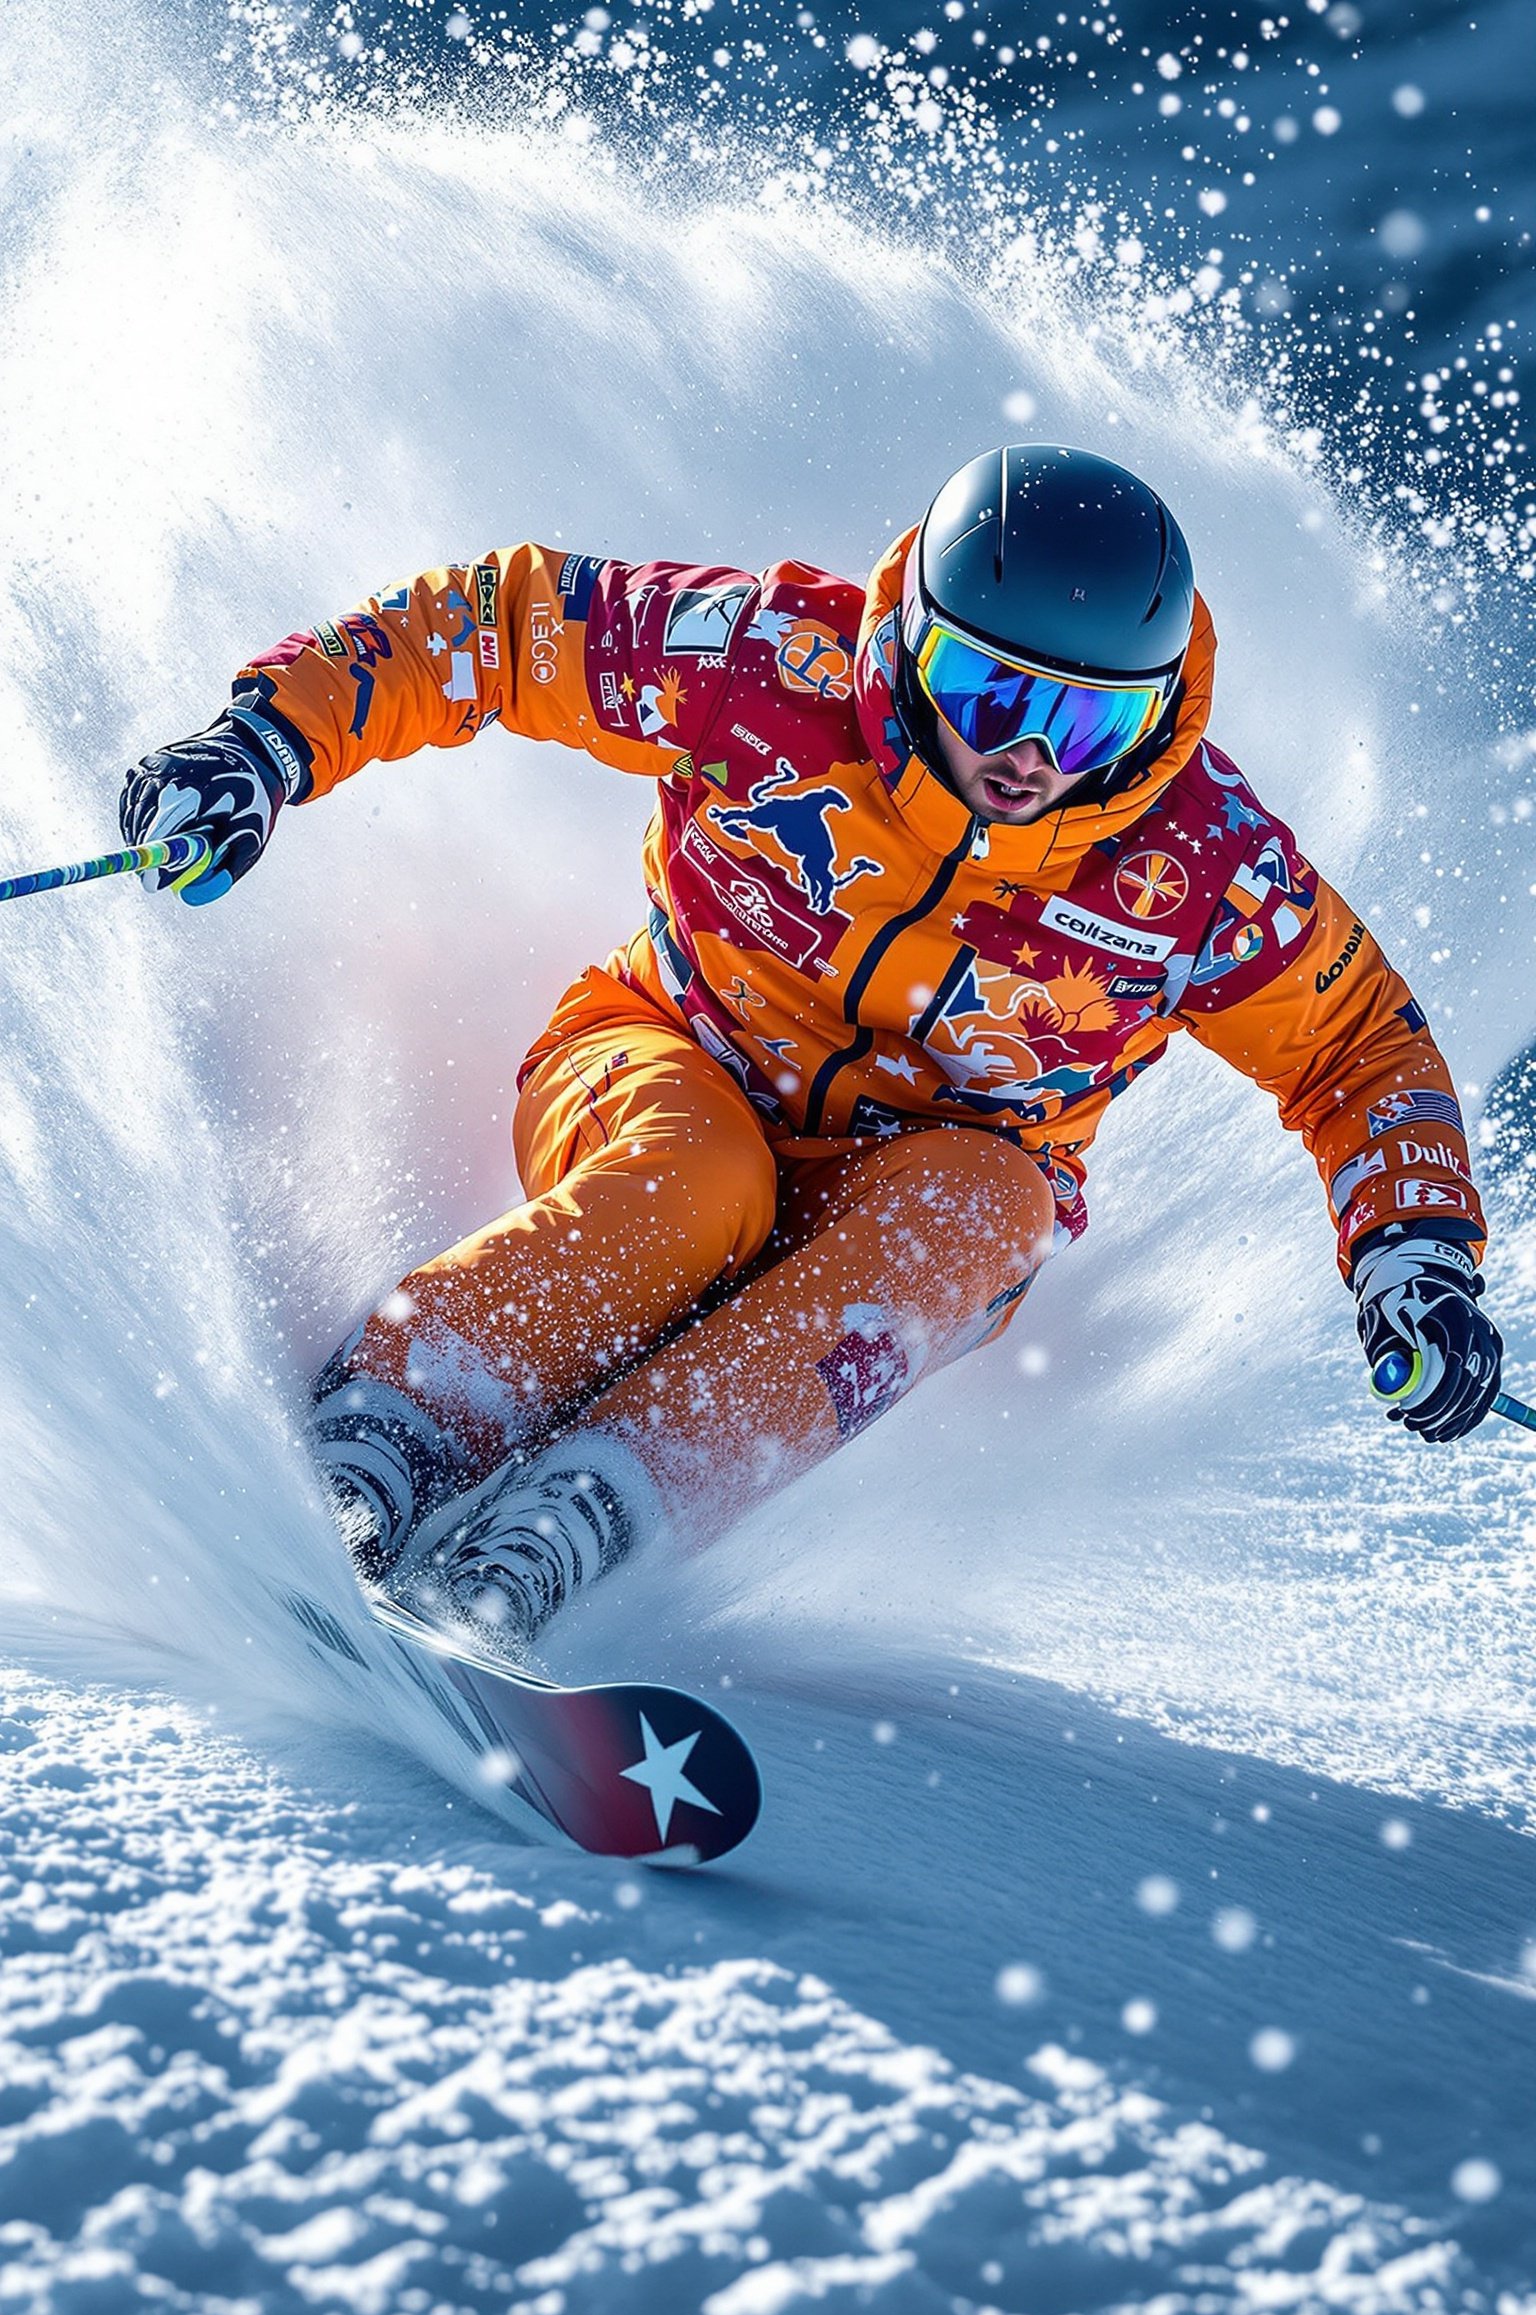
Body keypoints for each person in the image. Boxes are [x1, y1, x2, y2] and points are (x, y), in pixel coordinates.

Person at [121, 444, 1504, 1651]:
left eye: (1087, 721)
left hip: (938, 1171)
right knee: (693, 1184)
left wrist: (1415, 1254)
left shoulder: (1201, 868)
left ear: (1161, 711)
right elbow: (502, 623)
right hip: (673, 1048)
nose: (1024, 753)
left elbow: (1359, 1050)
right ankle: (390, 1435)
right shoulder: (768, 667)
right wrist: (263, 744)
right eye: (984, 688)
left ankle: (585, 1523)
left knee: (987, 1213)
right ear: (910, 633)